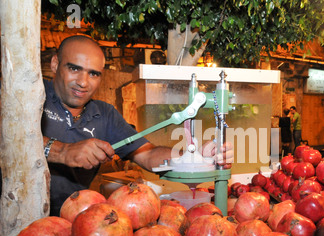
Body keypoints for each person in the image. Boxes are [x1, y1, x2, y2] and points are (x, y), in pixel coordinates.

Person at [42, 35, 233, 216]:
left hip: (75, 221)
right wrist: (61, 151)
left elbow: (148, 154)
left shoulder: (104, 114)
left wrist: (194, 158)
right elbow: (12, 140)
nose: (83, 82)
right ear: (55, 64)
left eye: (93, 73)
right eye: (74, 69)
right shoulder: (33, 94)